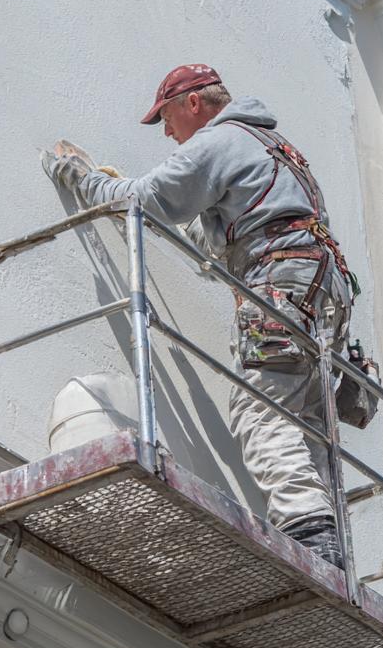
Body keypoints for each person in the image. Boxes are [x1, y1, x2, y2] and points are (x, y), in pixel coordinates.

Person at [45, 64, 359, 569]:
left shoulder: (219, 141)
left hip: (282, 282)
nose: (168, 133)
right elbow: (224, 241)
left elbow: (148, 200)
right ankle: (333, 547)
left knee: (260, 410)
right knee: (304, 423)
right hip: (322, 293)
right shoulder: (273, 149)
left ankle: (313, 540)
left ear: (193, 103)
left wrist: (84, 180)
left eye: (166, 118)